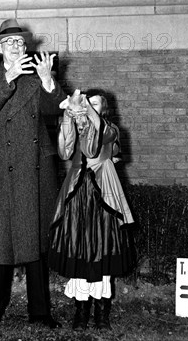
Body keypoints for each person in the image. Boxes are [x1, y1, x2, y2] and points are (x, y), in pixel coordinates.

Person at [0, 19, 66, 330]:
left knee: (35, 244)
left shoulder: (37, 79)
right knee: (0, 245)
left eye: (21, 43)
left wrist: (48, 79)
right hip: (0, 172)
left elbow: (55, 109)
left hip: (34, 168)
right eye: (10, 42)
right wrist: (9, 77)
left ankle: (40, 312)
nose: (16, 46)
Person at [48, 89, 135, 330]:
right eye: (87, 104)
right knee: (78, 246)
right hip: (76, 192)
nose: (88, 108)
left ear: (103, 110)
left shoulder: (113, 130)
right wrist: (68, 115)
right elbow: (65, 152)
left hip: (104, 194)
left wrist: (84, 110)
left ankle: (102, 312)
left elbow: (92, 149)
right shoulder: (77, 124)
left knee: (102, 247)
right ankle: (81, 310)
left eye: (94, 104)